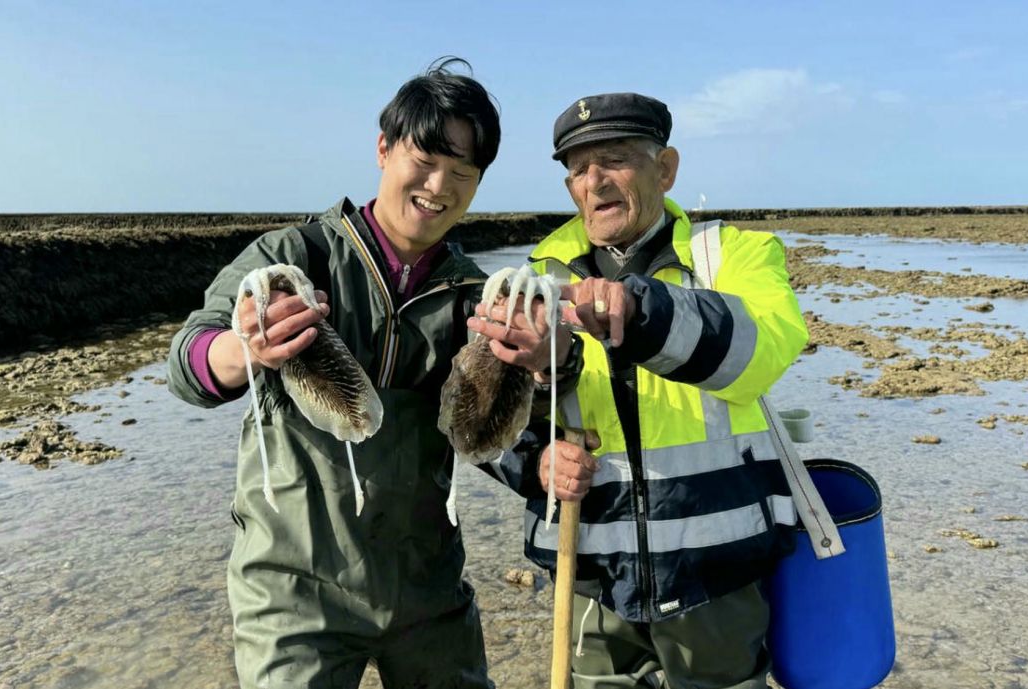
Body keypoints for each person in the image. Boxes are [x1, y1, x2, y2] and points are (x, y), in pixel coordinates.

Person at [166, 57, 500, 688]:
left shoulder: (475, 295)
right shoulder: (291, 257)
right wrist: (244, 348)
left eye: (462, 172)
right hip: (293, 589)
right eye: (424, 160)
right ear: (383, 148)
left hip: (426, 584)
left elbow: (496, 434)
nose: (438, 184)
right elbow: (188, 360)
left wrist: (542, 369)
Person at [468, 92, 809, 689]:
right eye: (577, 169)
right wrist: (535, 461)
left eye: (615, 160)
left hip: (717, 578)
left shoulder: (735, 255)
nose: (593, 181)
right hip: (589, 578)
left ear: (666, 168)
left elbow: (762, 352)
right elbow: (477, 421)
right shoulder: (533, 278)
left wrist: (643, 312)